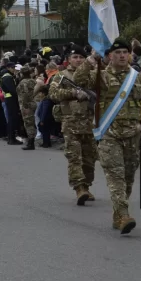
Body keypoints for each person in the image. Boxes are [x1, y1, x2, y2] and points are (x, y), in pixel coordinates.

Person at [74, 39, 141, 235]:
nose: (123, 55)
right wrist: (92, 58)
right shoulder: (101, 76)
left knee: (128, 177)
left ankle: (118, 214)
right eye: (118, 53)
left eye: (125, 52)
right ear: (110, 56)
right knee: (115, 175)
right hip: (109, 134)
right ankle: (124, 214)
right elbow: (79, 79)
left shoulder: (138, 77)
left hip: (132, 134)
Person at [49, 45, 98, 205]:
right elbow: (53, 94)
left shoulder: (91, 75)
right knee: (74, 157)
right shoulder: (61, 76)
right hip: (71, 124)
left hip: (89, 124)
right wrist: (73, 93)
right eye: (75, 57)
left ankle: (86, 185)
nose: (78, 60)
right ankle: (79, 188)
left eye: (81, 57)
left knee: (89, 159)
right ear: (69, 59)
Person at [17, 65, 38, 150]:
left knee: (28, 124)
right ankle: (31, 142)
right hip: (33, 102)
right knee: (31, 122)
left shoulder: (23, 82)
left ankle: (31, 143)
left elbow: (25, 94)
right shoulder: (32, 81)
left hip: (26, 105)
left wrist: (25, 106)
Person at [0, 62, 22, 146]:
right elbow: (12, 90)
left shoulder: (7, 76)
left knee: (11, 119)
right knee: (12, 119)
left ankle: (11, 138)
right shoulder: (8, 77)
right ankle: (12, 138)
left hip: (9, 99)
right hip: (11, 99)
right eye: (12, 68)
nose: (14, 69)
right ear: (8, 68)